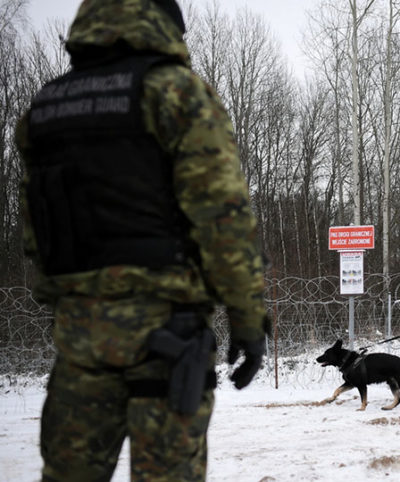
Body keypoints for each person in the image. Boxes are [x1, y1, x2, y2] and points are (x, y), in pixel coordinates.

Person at [16, 1, 268, 479]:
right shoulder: (174, 92)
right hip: (166, 336)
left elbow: (36, 231)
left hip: (80, 338)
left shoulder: (46, 107)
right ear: (161, 24)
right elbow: (223, 221)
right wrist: (248, 319)